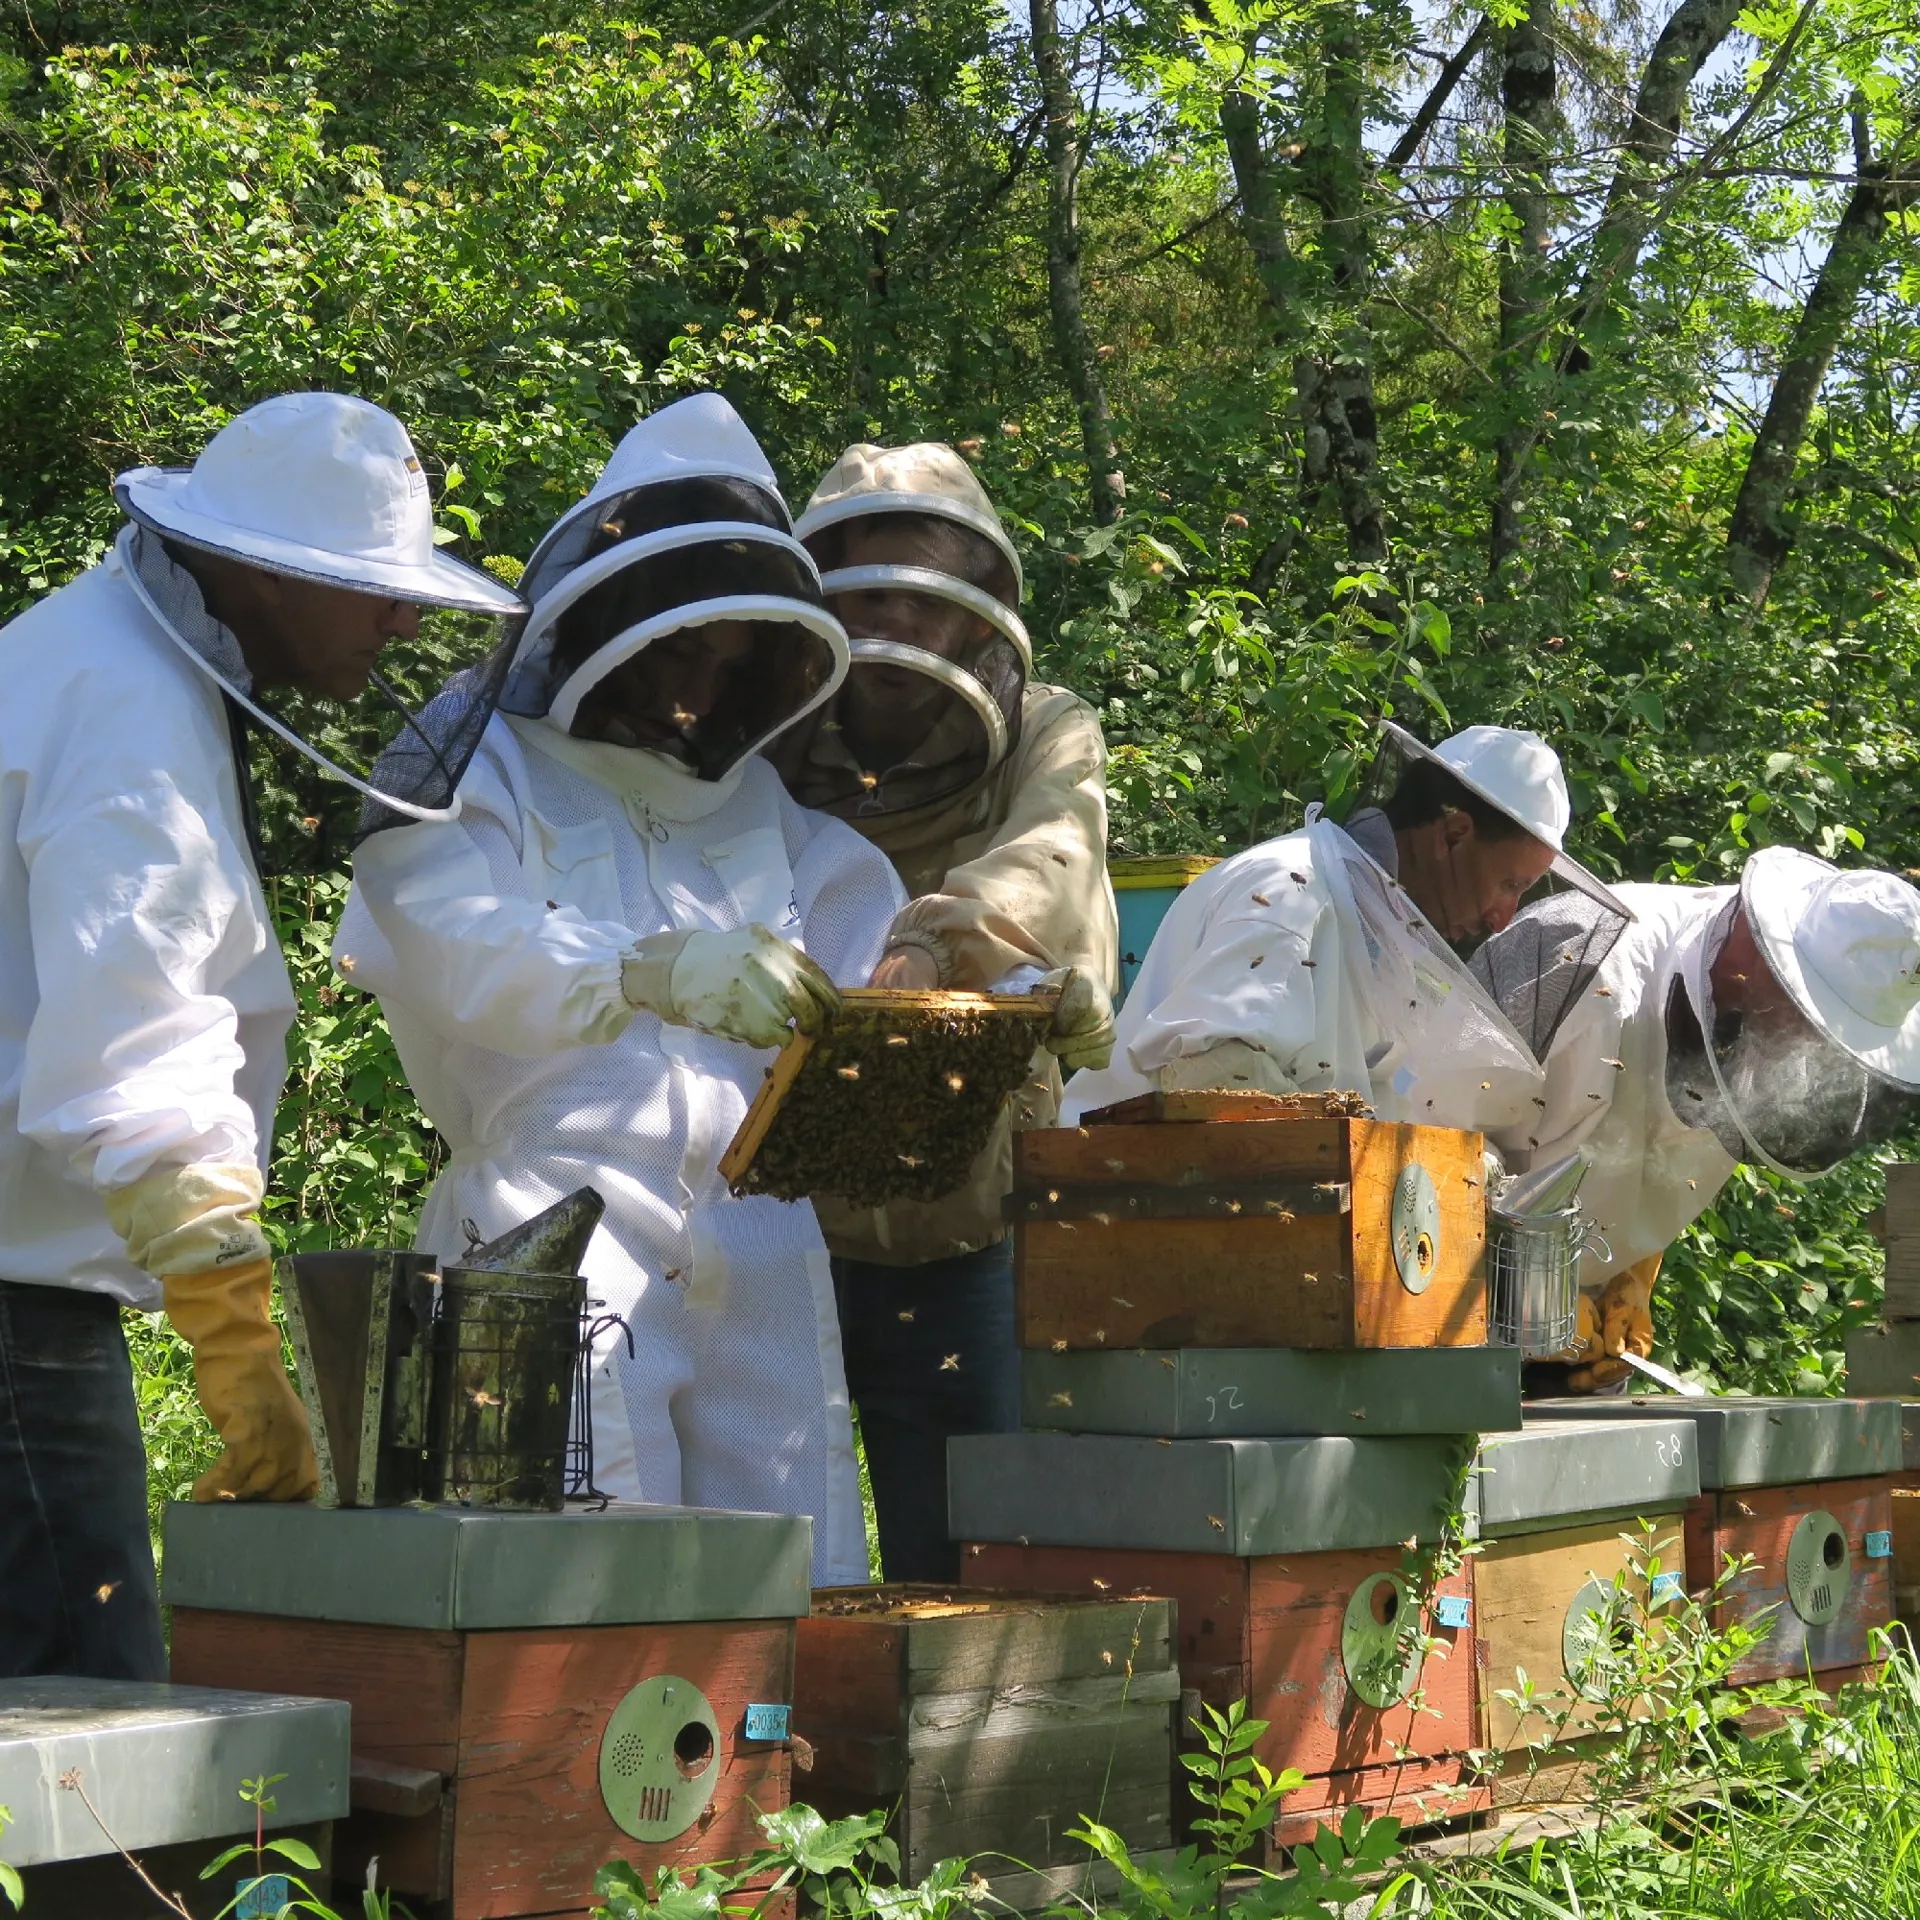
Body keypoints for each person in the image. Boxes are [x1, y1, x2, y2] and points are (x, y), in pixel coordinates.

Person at [335, 394, 908, 1585]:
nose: (698, 690)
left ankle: (791, 1781)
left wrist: (972, 969)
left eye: (729, 663)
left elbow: (869, 954)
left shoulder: (758, 805)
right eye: (677, 650)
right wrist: (636, 970)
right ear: (602, 623)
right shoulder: (473, 768)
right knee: (583, 1599)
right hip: (552, 1223)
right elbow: (449, 938)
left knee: (793, 1577)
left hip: (760, 1227)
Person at [0, 391, 526, 1680]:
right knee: (83, 1738)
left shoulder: (80, 657)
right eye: (372, 588)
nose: (402, 620)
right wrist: (233, 1342)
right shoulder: (126, 708)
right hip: (14, 1319)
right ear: (261, 573)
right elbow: (137, 1026)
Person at [767, 442, 1118, 1583]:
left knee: (968, 1564)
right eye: (864, 597)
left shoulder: (1045, 729)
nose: (892, 629)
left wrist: (930, 938)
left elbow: (1055, 862)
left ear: (976, 610)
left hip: (972, 1207)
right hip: (775, 1223)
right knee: (779, 1561)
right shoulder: (766, 738)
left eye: (918, 599)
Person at [1473, 848, 1920, 1390]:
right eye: (1811, 1018)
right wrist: (1520, 1280)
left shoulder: (1758, 1033)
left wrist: (1628, 1273)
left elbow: (1650, 1152)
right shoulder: (1573, 949)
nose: (1811, 1048)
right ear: (1763, 953)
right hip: (1446, 1316)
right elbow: (1420, 1131)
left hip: (1577, 1352)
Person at [1063, 723, 1628, 1133]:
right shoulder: (1291, 894)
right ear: (1452, 834)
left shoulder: (1384, 935)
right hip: (1111, 1206)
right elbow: (1208, 1072)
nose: (1503, 918)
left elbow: (1367, 1094)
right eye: (1511, 885)